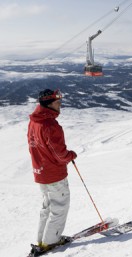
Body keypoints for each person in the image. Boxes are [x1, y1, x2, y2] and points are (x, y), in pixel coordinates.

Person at [27, 89, 77, 251]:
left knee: (47, 207)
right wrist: (70, 155)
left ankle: (42, 240)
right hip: (54, 174)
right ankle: (51, 242)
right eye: (57, 102)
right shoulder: (50, 125)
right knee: (59, 208)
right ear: (49, 104)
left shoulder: (34, 122)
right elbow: (59, 154)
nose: (60, 105)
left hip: (40, 172)